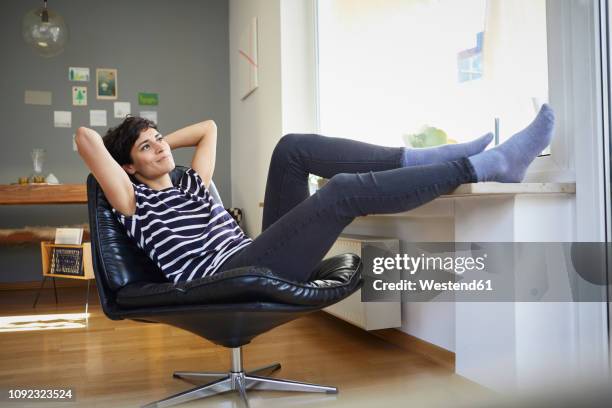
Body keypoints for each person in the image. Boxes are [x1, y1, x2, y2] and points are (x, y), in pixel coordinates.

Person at [76, 104, 555, 284]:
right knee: (342, 193)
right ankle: (481, 166)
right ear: (127, 168)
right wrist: (134, 150)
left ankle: (428, 157)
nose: (160, 146)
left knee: (290, 149)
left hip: (254, 253)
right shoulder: (134, 202)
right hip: (223, 276)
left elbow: (208, 128)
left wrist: (155, 141)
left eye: (160, 138)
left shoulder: (193, 182)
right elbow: (85, 138)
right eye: (147, 146)